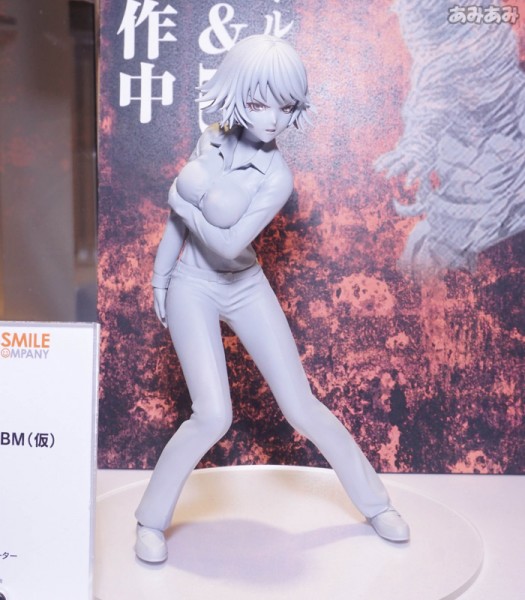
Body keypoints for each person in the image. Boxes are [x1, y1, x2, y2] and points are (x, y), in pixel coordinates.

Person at [135, 34, 409, 563]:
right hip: (192, 285)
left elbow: (227, 242)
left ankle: (377, 505)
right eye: (261, 104)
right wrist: (160, 274)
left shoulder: (277, 176)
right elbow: (179, 228)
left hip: (245, 285)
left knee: (302, 406)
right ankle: (150, 520)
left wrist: (183, 204)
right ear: (238, 94)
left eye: (286, 106)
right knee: (211, 415)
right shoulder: (210, 139)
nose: (274, 119)